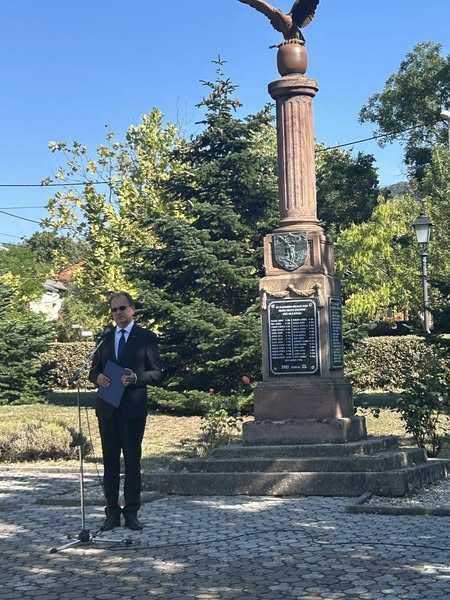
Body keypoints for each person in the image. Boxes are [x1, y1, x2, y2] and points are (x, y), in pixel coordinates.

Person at [89, 292, 162, 531]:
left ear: (132, 309)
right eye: (114, 310)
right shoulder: (104, 338)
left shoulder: (146, 338)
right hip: (108, 408)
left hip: (132, 408)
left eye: (122, 308)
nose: (118, 313)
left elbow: (157, 373)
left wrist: (135, 378)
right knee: (110, 463)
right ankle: (112, 513)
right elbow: (93, 370)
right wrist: (97, 378)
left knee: (132, 462)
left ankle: (131, 512)